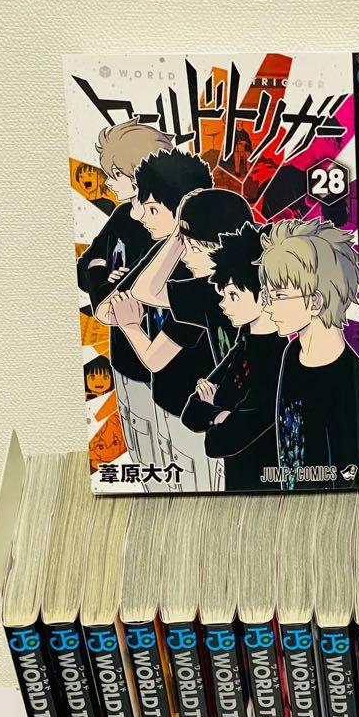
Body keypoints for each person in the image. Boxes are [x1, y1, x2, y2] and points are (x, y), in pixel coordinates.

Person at [96, 150, 227, 490]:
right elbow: (107, 310)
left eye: (152, 208)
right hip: (164, 401)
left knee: (198, 491)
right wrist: (174, 240)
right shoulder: (161, 255)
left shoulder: (205, 278)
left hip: (193, 409)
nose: (140, 215)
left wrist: (130, 324)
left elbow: (155, 357)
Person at [76, 120, 173, 468]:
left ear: (138, 175)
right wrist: (103, 277)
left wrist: (103, 275)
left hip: (163, 356)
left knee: (168, 443)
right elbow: (84, 268)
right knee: (138, 440)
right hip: (124, 357)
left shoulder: (165, 225)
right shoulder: (120, 216)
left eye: (115, 174)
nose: (107, 182)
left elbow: (132, 290)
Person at [259, 218, 359, 490]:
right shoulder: (292, 353)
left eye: (279, 296)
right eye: (268, 296)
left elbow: (349, 475)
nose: (269, 307)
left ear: (316, 301)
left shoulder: (348, 378)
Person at [180, 223, 286, 491]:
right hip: (238, 481)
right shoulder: (243, 345)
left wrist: (214, 411)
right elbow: (191, 411)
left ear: (264, 296)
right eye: (224, 295)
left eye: (233, 296)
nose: (223, 304)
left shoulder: (278, 357)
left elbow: (218, 442)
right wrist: (223, 415)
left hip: (268, 483)